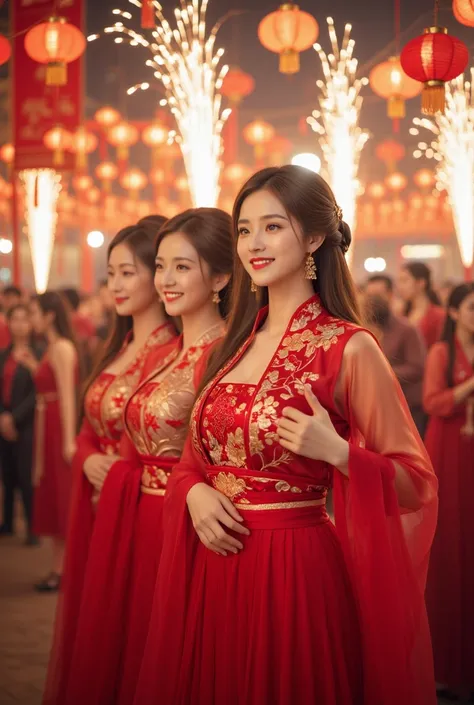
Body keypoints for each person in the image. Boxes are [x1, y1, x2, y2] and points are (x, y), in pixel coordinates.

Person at [134, 166, 438, 705]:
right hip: (213, 563)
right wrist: (194, 493)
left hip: (293, 570)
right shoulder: (232, 344)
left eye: (273, 227)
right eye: (245, 229)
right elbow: (191, 461)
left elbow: (417, 484)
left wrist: (340, 454)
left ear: (315, 238)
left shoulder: (347, 347)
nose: (254, 243)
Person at [43, 208, 232, 705]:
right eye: (162, 266)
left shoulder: (222, 353)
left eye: (179, 267)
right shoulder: (164, 353)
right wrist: (92, 460)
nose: (165, 280)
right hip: (143, 508)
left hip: (185, 519)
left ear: (219, 276)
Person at [42, 220, 177, 704]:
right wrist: (85, 459)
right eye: (111, 273)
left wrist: (113, 471)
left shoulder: (177, 353)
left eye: (129, 272)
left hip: (142, 508)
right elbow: (85, 430)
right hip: (102, 503)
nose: (114, 285)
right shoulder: (117, 348)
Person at [423, 283, 474, 701]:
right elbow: (434, 402)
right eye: (471, 308)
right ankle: (444, 664)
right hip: (449, 453)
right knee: (448, 549)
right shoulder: (443, 353)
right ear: (455, 313)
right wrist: (468, 388)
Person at [18, 292, 79, 592]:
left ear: (50, 315)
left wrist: (69, 441)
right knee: (53, 495)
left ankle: (65, 568)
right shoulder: (51, 347)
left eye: (34, 313)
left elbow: (67, 396)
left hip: (57, 427)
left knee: (61, 497)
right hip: (48, 423)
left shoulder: (63, 348)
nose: (31, 320)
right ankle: (59, 566)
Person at [0, 305, 44, 542]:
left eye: (23, 319)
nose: (18, 324)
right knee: (7, 475)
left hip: (27, 423)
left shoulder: (38, 352)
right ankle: (7, 522)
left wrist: (13, 418)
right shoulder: (4, 354)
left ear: (30, 323)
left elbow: (38, 391)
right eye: (14, 319)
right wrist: (3, 417)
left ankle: (32, 529)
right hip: (3, 420)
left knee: (27, 477)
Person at [364, 274, 427, 435]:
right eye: (369, 295)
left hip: (405, 408)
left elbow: (417, 367)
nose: (373, 300)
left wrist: (382, 372)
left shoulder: (406, 329)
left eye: (378, 295)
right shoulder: (361, 328)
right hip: (372, 409)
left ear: (391, 295)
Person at [398, 262, 445, 349]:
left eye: (405, 280)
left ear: (421, 283)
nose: (400, 287)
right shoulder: (401, 313)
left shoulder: (439, 315)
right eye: (399, 281)